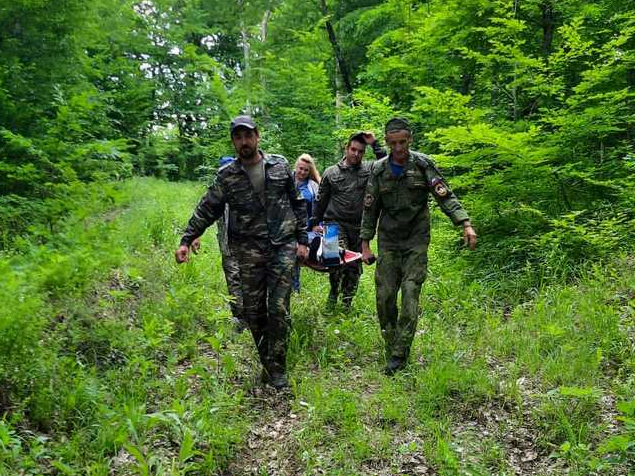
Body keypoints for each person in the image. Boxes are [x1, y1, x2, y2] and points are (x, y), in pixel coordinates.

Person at [175, 115, 309, 389]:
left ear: (257, 136)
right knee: (254, 311)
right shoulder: (227, 176)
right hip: (248, 250)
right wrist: (187, 240)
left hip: (282, 245)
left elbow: (297, 203)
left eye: (248, 135)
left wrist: (303, 240)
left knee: (279, 308)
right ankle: (268, 363)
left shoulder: (280, 165)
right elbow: (207, 208)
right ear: (234, 141)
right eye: (238, 137)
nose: (244, 141)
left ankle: (278, 368)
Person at [360, 118, 477, 375]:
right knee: (385, 297)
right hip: (389, 240)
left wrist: (465, 223)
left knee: (410, 294)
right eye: (393, 143)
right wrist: (365, 245)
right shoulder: (378, 170)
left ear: (410, 140)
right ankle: (391, 343)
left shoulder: (423, 165)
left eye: (403, 142)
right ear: (387, 142)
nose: (398, 148)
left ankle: (400, 354)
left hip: (416, 240)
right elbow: (370, 209)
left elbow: (445, 195)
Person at [309, 131, 386, 310]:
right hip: (333, 224)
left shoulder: (369, 169)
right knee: (334, 261)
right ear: (347, 148)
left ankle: (346, 305)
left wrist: (375, 143)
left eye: (360, 151)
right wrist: (314, 223)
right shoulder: (330, 173)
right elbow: (321, 200)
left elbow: (386, 164)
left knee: (353, 269)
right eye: (353, 149)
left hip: (358, 227)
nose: (356, 154)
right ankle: (333, 294)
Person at [292, 153, 320, 292]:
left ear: (310, 171)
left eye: (306, 170)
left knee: (307, 244)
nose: (302, 172)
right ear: (296, 167)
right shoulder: (286, 181)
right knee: (293, 250)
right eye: (300, 168)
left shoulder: (313, 186)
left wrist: (317, 224)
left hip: (307, 228)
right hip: (289, 227)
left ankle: (312, 252)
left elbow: (318, 208)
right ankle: (294, 288)